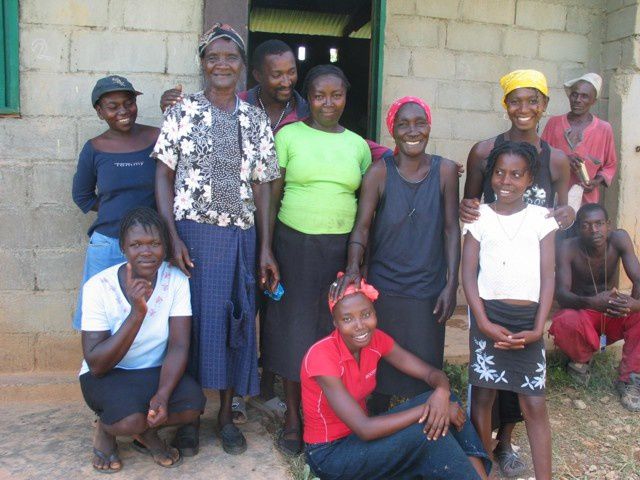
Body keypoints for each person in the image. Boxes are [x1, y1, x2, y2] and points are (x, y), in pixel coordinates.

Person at [153, 23, 281, 456]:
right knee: (189, 328)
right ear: (202, 64)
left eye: (230, 58)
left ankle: (226, 416)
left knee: (237, 326)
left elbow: (263, 185)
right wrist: (172, 237)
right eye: (213, 57)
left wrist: (264, 246)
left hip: (242, 238)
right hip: (192, 235)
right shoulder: (182, 113)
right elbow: (163, 176)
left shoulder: (254, 116)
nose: (221, 64)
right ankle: (189, 419)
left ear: (242, 67)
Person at [459, 69, 571, 477]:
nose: (524, 108)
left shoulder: (556, 159)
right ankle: (483, 460)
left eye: (533, 100)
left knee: (528, 396)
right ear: (504, 104)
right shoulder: (484, 151)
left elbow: (566, 207)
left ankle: (506, 444)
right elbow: (470, 205)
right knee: (485, 388)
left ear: (544, 105)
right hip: (491, 289)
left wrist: (569, 212)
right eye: (515, 100)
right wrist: (466, 210)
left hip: (529, 289)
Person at [261, 64, 372, 455]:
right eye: (320, 95)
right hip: (293, 245)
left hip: (341, 251)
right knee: (295, 332)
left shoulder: (358, 145)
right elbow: (270, 196)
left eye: (336, 95)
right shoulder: (289, 135)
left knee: (335, 331)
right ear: (307, 98)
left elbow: (366, 201)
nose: (328, 103)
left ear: (346, 97)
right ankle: (294, 420)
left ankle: (333, 414)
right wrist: (267, 248)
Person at [330, 96, 460, 415]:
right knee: (381, 365)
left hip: (428, 285)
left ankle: (425, 419)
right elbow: (361, 228)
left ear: (429, 127)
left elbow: (451, 230)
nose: (412, 131)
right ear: (393, 131)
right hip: (385, 286)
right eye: (404, 124)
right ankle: (377, 417)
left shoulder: (445, 171)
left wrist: (450, 285)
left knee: (424, 363)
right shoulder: (379, 172)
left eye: (419, 123)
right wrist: (352, 268)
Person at [302, 276, 490, 479]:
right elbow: (365, 428)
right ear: (335, 322)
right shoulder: (322, 356)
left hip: (360, 440)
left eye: (366, 314)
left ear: (375, 313)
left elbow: (431, 374)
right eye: (347, 319)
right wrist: (431, 409)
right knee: (428, 428)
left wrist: (442, 393)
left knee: (447, 400)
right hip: (331, 455)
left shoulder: (375, 341)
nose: (359, 325)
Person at [79, 207, 205, 473]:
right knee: (127, 422)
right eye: (136, 244)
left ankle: (145, 430)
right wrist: (137, 313)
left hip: (153, 372)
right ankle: (107, 428)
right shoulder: (98, 287)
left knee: (194, 405)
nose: (146, 251)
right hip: (108, 375)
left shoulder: (177, 280)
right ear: (123, 248)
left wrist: (163, 394)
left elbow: (179, 345)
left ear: (165, 246)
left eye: (155, 244)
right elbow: (97, 364)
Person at [462, 141, 557, 480]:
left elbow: (549, 277)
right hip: (489, 317)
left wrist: (539, 326)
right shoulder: (479, 217)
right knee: (483, 397)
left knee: (533, 402)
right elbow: (468, 274)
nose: (506, 180)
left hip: (527, 322)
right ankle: (483, 470)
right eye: (500, 173)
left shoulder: (541, 219)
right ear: (491, 177)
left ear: (530, 179)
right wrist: (483, 322)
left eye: (516, 174)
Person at [71, 75, 159, 330]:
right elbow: (82, 196)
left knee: (149, 312)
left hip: (150, 246)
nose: (123, 111)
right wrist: (116, 208)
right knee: (99, 314)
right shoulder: (95, 148)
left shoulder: (156, 137)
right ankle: (95, 367)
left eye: (129, 103)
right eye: (113, 106)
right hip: (108, 242)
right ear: (100, 112)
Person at [550, 203, 640, 411]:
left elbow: (638, 278)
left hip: (612, 310)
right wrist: (591, 302)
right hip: (583, 310)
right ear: (578, 228)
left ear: (608, 225)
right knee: (564, 321)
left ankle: (630, 378)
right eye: (586, 225)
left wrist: (633, 305)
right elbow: (562, 294)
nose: (594, 231)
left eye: (599, 224)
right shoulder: (567, 248)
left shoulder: (619, 238)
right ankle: (581, 360)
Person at [542, 73, 617, 206]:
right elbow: (541, 155)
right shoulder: (554, 123)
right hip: (555, 199)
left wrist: (596, 182)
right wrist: (563, 160)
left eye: (585, 96)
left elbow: (610, 165)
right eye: (574, 94)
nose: (577, 100)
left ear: (594, 100)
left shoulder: (604, 129)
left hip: (587, 201)